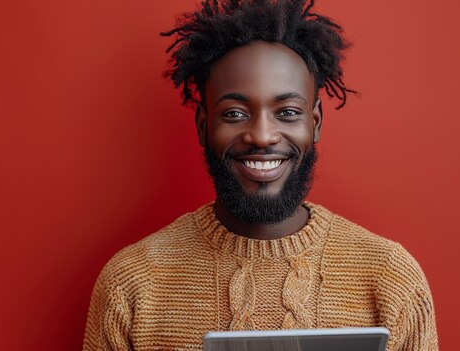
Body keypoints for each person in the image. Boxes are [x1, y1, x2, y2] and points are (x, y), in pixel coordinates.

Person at [82, 1, 438, 350]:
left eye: (286, 111)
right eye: (235, 113)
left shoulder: (390, 278)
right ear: (204, 126)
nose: (262, 135)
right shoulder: (130, 284)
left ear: (314, 123)